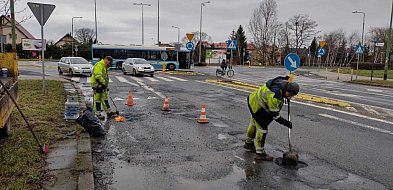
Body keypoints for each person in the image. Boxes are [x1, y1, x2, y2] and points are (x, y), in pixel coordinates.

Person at [244, 76, 299, 161]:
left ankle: (248, 143)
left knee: (253, 123)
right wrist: (286, 123)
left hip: (253, 101)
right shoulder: (275, 96)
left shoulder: (282, 83)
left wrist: (286, 96)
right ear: (286, 90)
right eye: (289, 95)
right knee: (262, 128)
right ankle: (260, 153)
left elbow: (282, 79)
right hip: (259, 107)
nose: (290, 97)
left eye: (292, 96)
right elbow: (275, 116)